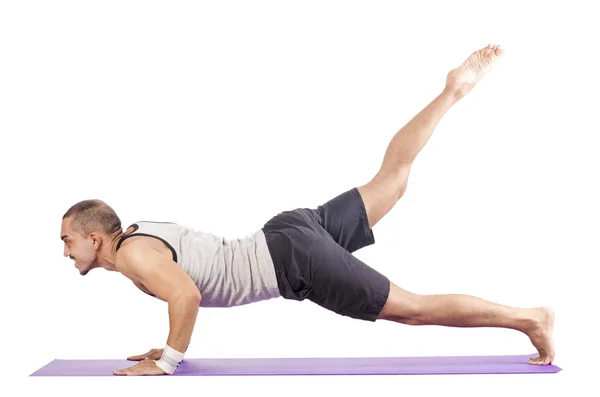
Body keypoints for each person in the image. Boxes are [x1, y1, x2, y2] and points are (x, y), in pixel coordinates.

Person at [59, 44, 555, 376]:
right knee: (392, 180)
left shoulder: (131, 256)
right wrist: (164, 345)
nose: (65, 250)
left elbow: (185, 295)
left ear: (95, 238)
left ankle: (529, 318)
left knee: (414, 310)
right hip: (286, 231)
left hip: (292, 260)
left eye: (67, 239)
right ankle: (452, 91)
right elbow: (183, 282)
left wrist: (166, 361)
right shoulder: (141, 239)